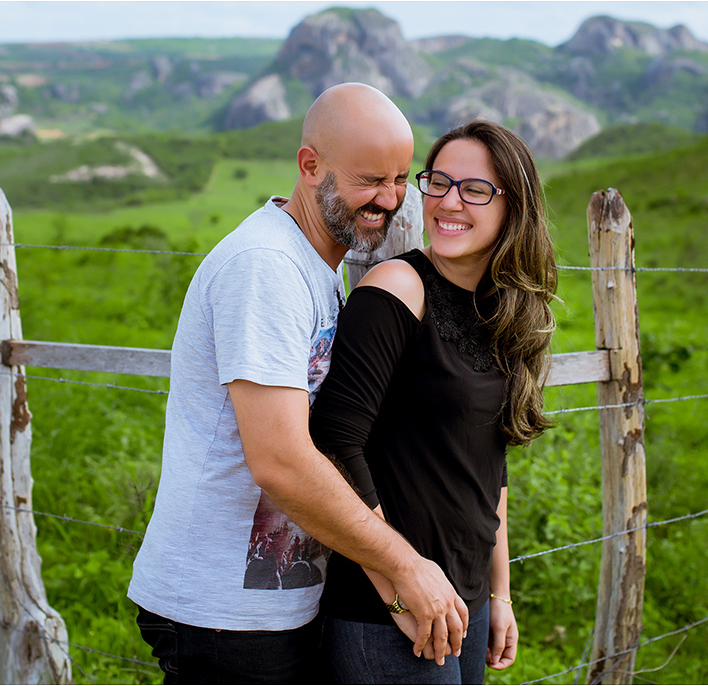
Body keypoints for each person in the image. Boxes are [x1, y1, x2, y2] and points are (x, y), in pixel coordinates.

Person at [127, 83, 468, 684]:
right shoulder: (266, 267)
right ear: (310, 166)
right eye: (370, 180)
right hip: (223, 616)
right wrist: (406, 568)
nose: (390, 200)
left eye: (399, 179)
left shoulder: (315, 269)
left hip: (273, 603)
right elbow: (281, 460)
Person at [309, 119, 558, 684]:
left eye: (474, 189)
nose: (449, 202)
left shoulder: (504, 311)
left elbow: (487, 470)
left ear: (514, 207)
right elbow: (333, 444)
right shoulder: (397, 288)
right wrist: (399, 593)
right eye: (438, 182)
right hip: (391, 612)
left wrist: (501, 595)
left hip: (464, 605)